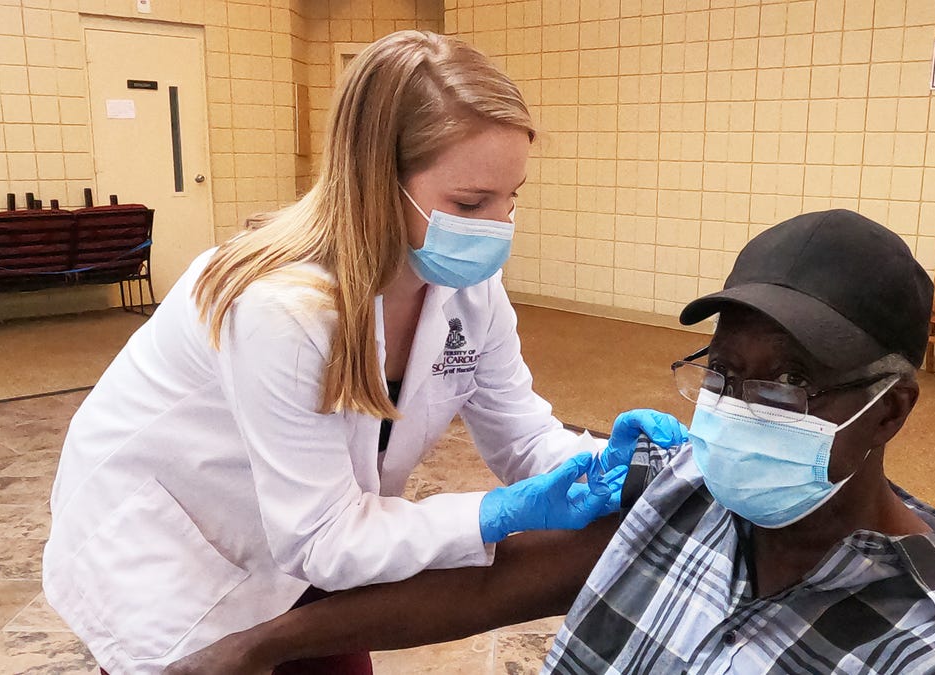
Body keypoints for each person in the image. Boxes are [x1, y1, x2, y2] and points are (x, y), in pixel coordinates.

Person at [42, 30, 685, 674]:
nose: (497, 228)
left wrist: (611, 464)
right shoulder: (279, 304)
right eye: (470, 203)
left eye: (511, 198)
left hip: (320, 545)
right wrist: (493, 513)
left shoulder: (468, 290)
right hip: (176, 561)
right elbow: (324, 539)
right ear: (378, 180)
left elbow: (523, 439)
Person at [165, 209, 935, 674]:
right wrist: (257, 645)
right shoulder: (690, 492)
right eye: (723, 375)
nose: (730, 412)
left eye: (780, 384)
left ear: (888, 411)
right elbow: (491, 586)